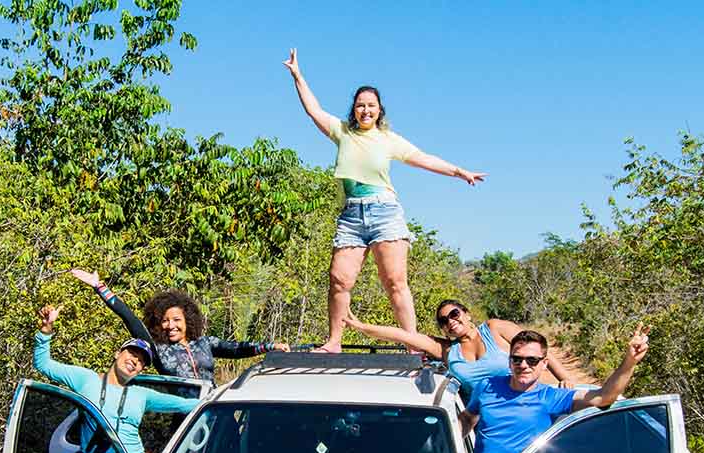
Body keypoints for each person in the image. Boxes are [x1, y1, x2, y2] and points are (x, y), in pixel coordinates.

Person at [282, 48, 487, 353]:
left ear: (379, 110)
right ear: (354, 110)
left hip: (384, 212)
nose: (366, 110)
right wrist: (298, 75)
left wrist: (459, 171)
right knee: (339, 279)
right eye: (361, 105)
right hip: (351, 215)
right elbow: (313, 109)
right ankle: (334, 342)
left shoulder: (388, 139)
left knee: (394, 282)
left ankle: (414, 346)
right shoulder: (342, 132)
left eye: (372, 106)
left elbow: (422, 158)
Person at [462, 327, 650, 453]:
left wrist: (629, 361)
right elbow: (468, 418)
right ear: (509, 361)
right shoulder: (487, 386)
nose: (523, 365)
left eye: (532, 360)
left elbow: (604, 397)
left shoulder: (550, 397)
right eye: (517, 359)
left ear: (544, 364)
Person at [34, 305, 198, 453]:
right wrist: (46, 330)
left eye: (142, 361)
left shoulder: (141, 395)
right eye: (133, 354)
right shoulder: (86, 379)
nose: (135, 361)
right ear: (117, 353)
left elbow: (185, 405)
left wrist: (224, 395)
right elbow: (43, 364)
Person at [69, 269, 289, 382]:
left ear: (188, 321)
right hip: (183, 419)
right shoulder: (157, 349)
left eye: (176, 320)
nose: (170, 325)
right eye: (165, 321)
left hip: (211, 410)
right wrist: (100, 287)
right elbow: (129, 318)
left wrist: (270, 347)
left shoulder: (204, 343)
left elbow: (238, 348)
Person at [343, 300, 577, 392]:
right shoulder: (446, 351)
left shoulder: (495, 328)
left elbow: (538, 346)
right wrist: (363, 327)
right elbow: (403, 335)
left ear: (466, 313)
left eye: (454, 314)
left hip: (522, 402)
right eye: (443, 321)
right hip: (480, 418)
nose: (451, 322)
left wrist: (564, 377)